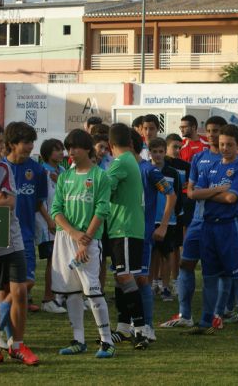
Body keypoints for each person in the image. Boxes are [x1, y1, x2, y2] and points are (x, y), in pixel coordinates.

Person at [188, 124, 238, 339]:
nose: (225, 148)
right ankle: (205, 322)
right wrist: (218, 190)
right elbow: (193, 194)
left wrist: (208, 193)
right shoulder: (211, 167)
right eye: (222, 145)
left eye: (229, 145)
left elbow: (231, 198)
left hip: (230, 227)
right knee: (209, 277)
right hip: (208, 226)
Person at [50, 129, 116, 358]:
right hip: (66, 238)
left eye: (75, 147)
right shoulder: (65, 177)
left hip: (89, 240)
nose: (71, 152)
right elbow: (56, 209)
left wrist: (84, 239)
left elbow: (102, 209)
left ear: (87, 148)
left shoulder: (100, 176)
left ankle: (106, 341)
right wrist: (73, 234)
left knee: (93, 291)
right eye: (69, 148)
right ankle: (78, 339)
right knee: (72, 292)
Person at [160, 116, 226, 328]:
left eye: (217, 131)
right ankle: (185, 315)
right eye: (210, 130)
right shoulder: (199, 158)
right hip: (198, 220)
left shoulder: (232, 161)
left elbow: (233, 195)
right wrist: (214, 192)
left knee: (213, 270)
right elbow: (190, 191)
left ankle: (215, 315)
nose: (213, 135)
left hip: (220, 222)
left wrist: (203, 193)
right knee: (185, 264)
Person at [0, 123, 39, 365]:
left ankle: (17, 346)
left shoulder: (3, 169)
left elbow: (9, 203)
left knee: (20, 290)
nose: (1, 147)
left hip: (12, 238)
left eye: (2, 142)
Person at [131, 130, 176, 342]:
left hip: (143, 234)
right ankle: (131, 323)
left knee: (142, 279)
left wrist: (164, 225)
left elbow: (171, 195)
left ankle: (147, 325)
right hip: (123, 233)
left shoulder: (149, 171)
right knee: (126, 280)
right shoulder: (120, 168)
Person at [105, 123, 148, 349]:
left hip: (124, 229)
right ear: (130, 143)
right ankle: (122, 328)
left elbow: (102, 188)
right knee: (121, 276)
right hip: (125, 228)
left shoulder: (120, 162)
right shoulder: (130, 161)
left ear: (111, 145)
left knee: (125, 277)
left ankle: (140, 330)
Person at [3, 122, 49, 313]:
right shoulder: (0, 167)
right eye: (26, 142)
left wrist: (49, 221)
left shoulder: (37, 170)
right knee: (3, 287)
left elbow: (39, 202)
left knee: (27, 281)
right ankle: (4, 335)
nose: (31, 146)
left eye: (32, 142)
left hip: (25, 234)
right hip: (0, 235)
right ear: (13, 143)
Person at [148, 137, 182, 302]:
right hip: (150, 219)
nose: (158, 155)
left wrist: (176, 214)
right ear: (150, 152)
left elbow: (176, 196)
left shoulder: (172, 172)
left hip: (169, 220)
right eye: (155, 151)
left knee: (167, 254)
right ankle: (153, 284)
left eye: (161, 151)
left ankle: (166, 287)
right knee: (152, 253)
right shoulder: (146, 170)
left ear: (165, 152)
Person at [36, 138, 67, 314]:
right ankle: (47, 298)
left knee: (61, 260)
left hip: (62, 222)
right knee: (51, 260)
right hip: (47, 222)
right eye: (56, 150)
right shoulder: (42, 171)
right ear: (47, 153)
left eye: (62, 149)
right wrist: (48, 220)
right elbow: (39, 200)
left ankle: (59, 295)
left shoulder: (62, 170)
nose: (61, 153)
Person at [165, 133, 191, 295]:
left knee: (176, 247)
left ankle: (176, 280)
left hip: (180, 210)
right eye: (174, 147)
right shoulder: (160, 164)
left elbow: (189, 185)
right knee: (160, 251)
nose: (177, 150)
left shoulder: (185, 166)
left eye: (179, 148)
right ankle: (159, 281)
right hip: (163, 211)